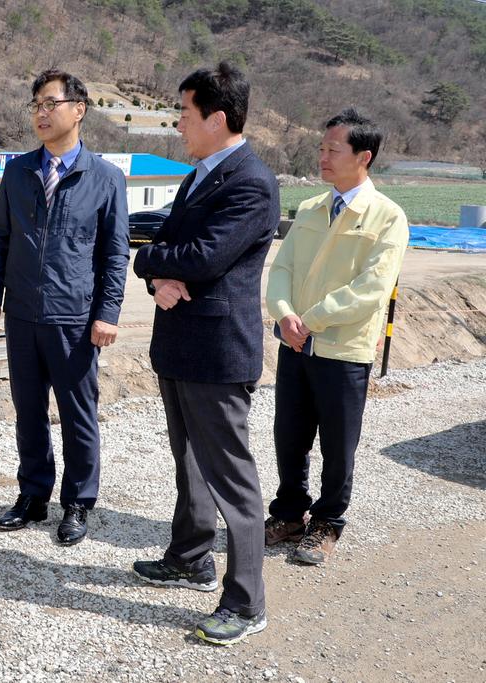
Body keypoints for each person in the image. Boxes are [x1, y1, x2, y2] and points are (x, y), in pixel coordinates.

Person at [130, 62, 279, 646]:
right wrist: (153, 274)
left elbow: (202, 257)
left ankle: (246, 602)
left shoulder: (250, 181)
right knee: (189, 461)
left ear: (217, 119)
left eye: (184, 117)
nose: (178, 127)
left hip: (218, 351)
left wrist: (157, 263)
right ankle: (191, 556)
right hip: (181, 343)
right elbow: (163, 246)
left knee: (232, 479)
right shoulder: (201, 175)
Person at [0, 68, 129, 546]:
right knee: (28, 411)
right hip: (22, 314)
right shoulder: (18, 170)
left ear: (78, 110)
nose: (41, 114)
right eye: (36, 105)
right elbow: (0, 238)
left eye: (50, 104)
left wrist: (107, 312)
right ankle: (32, 496)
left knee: (78, 414)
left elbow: (115, 252)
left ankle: (78, 503)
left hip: (74, 319)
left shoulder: (105, 178)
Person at [264, 108, 408, 565]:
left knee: (338, 442)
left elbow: (373, 288)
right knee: (289, 436)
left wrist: (312, 319)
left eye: (333, 150)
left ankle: (327, 523)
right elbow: (281, 269)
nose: (322, 157)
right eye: (321, 148)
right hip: (296, 342)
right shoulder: (310, 208)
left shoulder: (387, 217)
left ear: (363, 157)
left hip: (343, 349)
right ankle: (289, 513)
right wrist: (285, 315)